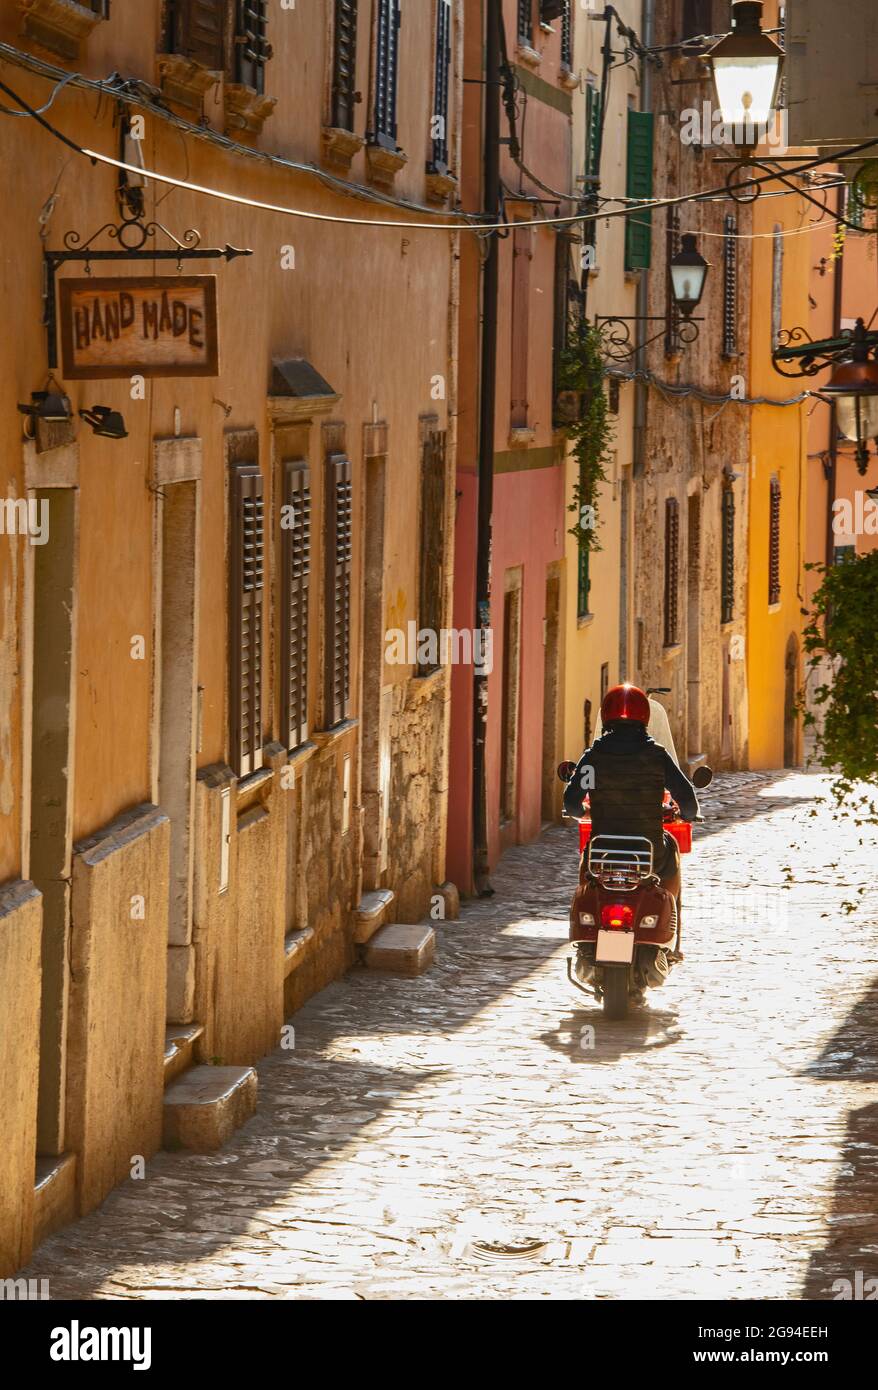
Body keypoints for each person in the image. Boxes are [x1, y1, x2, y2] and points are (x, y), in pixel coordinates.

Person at [563, 683, 700, 944]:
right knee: (671, 850)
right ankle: (673, 941)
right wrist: (687, 814)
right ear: (645, 716)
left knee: (586, 860)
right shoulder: (657, 756)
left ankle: (587, 932)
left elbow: (571, 803)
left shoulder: (594, 757)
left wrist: (586, 812)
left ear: (605, 715)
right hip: (650, 855)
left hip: (604, 853)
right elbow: (687, 800)